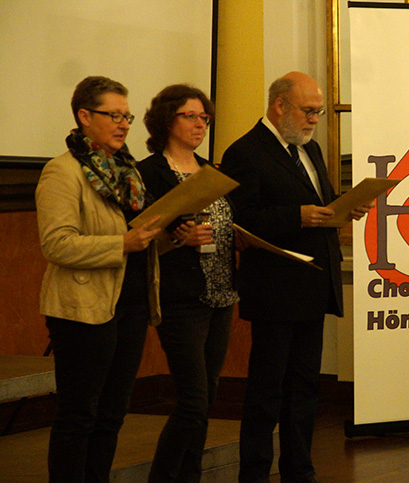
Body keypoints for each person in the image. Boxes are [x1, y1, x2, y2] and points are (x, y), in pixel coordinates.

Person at [220, 72, 372, 483]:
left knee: (305, 388)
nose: (314, 120)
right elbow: (240, 221)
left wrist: (344, 208)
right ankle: (254, 474)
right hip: (275, 289)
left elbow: (318, 204)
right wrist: (296, 216)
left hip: (313, 284)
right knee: (267, 391)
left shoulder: (310, 149)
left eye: (318, 112)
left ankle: (299, 471)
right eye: (308, 111)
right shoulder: (245, 152)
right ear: (279, 105)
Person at [36, 75, 162, 481]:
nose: (124, 125)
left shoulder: (127, 171)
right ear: (85, 116)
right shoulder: (62, 171)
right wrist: (122, 244)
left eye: (127, 116)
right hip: (83, 309)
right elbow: (57, 245)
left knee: (112, 414)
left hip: (129, 303)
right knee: (79, 415)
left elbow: (136, 236)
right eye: (114, 115)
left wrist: (167, 234)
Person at [137, 84, 239, 482]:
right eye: (191, 116)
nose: (200, 125)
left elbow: (225, 222)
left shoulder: (211, 171)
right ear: (167, 119)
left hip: (221, 294)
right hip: (180, 297)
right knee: (193, 400)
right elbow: (140, 237)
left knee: (206, 398)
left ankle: (189, 476)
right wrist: (178, 238)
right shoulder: (149, 173)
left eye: (204, 118)